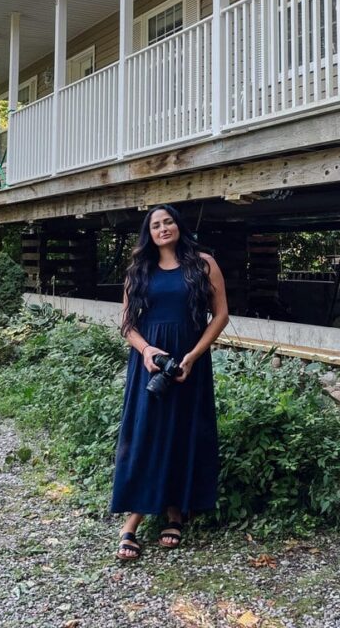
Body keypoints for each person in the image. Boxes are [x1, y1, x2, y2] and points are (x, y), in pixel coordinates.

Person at [111, 204, 228, 558]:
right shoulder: (139, 270)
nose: (163, 228)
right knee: (144, 432)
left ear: (178, 225)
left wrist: (193, 356)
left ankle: (176, 512)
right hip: (149, 362)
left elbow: (221, 315)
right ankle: (132, 520)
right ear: (149, 232)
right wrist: (146, 351)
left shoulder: (203, 264)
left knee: (183, 431)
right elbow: (127, 325)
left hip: (190, 361)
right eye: (156, 224)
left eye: (169, 222)